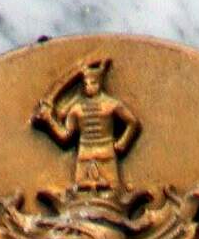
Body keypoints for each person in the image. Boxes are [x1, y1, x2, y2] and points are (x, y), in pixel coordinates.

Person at [32, 56, 141, 194]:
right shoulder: (76, 109)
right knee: (82, 195)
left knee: (113, 193)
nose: (89, 87)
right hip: (84, 156)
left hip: (106, 155)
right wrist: (50, 121)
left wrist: (122, 142)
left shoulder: (112, 105)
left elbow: (133, 122)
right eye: (86, 84)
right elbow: (65, 136)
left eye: (92, 83)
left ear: (99, 83)